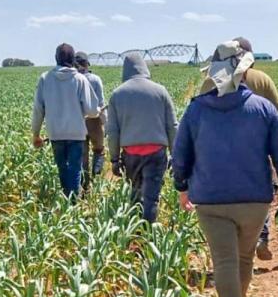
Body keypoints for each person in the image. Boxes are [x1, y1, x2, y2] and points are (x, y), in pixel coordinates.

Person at [173, 41, 278, 297]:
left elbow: (181, 151)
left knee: (224, 260)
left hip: (211, 199)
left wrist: (181, 186)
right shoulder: (263, 108)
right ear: (243, 72)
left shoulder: (196, 108)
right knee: (242, 258)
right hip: (253, 198)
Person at [200, 36, 278, 261]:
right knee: (261, 190)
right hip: (258, 149)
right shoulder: (264, 80)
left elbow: (201, 114)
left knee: (226, 196)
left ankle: (232, 244)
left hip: (220, 151)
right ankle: (260, 237)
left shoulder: (212, 79)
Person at [107, 53, 178, 223]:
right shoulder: (160, 91)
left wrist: (115, 159)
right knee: (151, 197)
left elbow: (113, 131)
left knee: (135, 193)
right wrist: (175, 155)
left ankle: (134, 232)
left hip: (130, 154)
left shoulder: (117, 95)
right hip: (156, 152)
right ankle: (148, 235)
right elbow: (172, 126)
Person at [32, 43, 100, 199]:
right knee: (75, 169)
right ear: (72, 59)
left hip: (56, 133)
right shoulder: (80, 79)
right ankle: (73, 203)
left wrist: (36, 134)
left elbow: (38, 109)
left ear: (56, 58)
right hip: (76, 133)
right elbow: (91, 110)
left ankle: (66, 199)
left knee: (62, 168)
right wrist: (97, 112)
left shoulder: (45, 78)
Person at [74, 52, 107, 193]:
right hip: (94, 121)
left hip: (77, 122)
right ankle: (96, 178)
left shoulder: (73, 80)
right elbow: (100, 102)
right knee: (99, 150)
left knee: (83, 154)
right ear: (87, 64)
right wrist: (105, 123)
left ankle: (85, 184)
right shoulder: (95, 79)